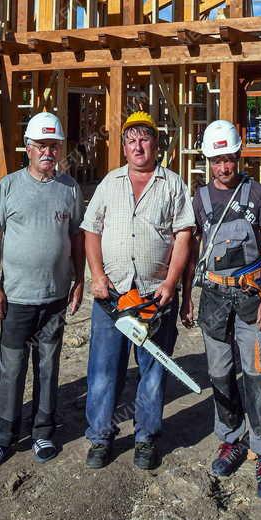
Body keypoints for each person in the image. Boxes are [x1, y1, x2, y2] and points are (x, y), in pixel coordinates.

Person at [83, 112, 195, 471]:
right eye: (131, 140)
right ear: (124, 146)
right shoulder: (109, 183)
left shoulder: (173, 185)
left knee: (152, 370)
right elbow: (91, 230)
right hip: (112, 296)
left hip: (153, 297)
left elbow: (183, 236)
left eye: (144, 139)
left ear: (156, 144)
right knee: (104, 369)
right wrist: (97, 276)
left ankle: (146, 437)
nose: (137, 145)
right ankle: (101, 436)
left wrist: (170, 283)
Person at [0, 112, 84, 470]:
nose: (48, 152)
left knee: (48, 364)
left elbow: (76, 238)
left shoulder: (69, 189)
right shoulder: (8, 186)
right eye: (41, 145)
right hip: (16, 297)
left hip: (54, 297)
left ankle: (42, 430)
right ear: (28, 147)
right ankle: (1, 437)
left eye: (54, 146)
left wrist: (79, 279)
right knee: (11, 367)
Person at [182, 120, 261, 500]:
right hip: (214, 299)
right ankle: (231, 438)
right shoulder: (201, 199)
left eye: (229, 159)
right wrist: (186, 296)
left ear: (239, 155)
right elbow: (192, 250)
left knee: (256, 376)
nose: (224, 167)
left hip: (252, 298)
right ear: (209, 161)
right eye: (217, 161)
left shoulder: (256, 194)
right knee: (220, 375)